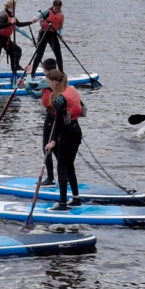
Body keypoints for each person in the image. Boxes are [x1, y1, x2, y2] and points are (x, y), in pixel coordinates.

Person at [43, 69, 84, 211]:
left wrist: (53, 140)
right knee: (70, 165)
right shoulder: (72, 90)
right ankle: (76, 199)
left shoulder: (60, 98)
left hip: (67, 134)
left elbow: (58, 121)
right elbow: (83, 109)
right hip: (76, 131)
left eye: (49, 82)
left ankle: (62, 203)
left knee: (61, 166)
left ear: (55, 82)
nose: (49, 85)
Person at [26, 58, 59, 185]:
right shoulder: (47, 84)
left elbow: (32, 85)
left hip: (53, 118)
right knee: (52, 148)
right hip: (50, 117)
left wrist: (29, 73)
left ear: (45, 71)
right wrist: (24, 87)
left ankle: (51, 178)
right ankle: (57, 177)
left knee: (48, 147)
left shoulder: (49, 82)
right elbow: (35, 93)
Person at [0, 0, 33, 77]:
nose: (14, 9)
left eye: (14, 7)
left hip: (6, 39)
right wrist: (10, 23)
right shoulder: (2, 15)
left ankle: (15, 68)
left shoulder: (12, 16)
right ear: (8, 7)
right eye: (13, 7)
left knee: (17, 51)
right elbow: (0, 25)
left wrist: (31, 22)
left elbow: (19, 24)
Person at [27, 0, 65, 74]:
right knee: (39, 54)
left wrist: (61, 35)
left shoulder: (61, 15)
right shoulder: (46, 12)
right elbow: (38, 17)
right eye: (56, 7)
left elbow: (61, 27)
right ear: (53, 6)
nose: (58, 9)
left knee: (58, 54)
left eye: (59, 8)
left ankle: (61, 72)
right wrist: (36, 19)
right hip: (44, 34)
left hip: (53, 35)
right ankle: (33, 72)